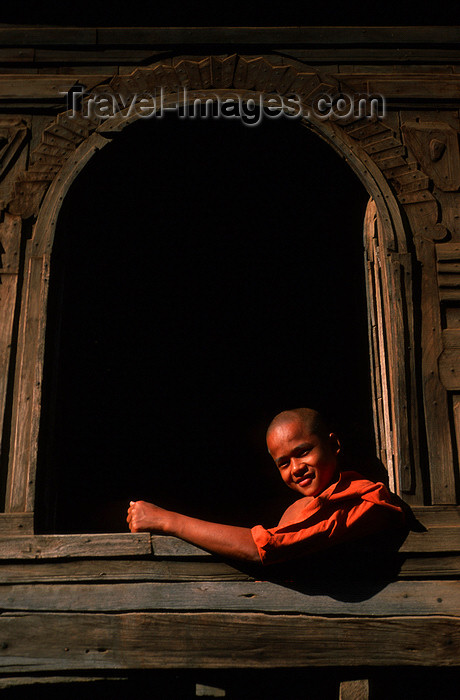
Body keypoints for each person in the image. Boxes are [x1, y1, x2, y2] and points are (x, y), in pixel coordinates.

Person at [126, 407, 405, 565]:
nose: (296, 468)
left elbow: (267, 547)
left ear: (333, 445)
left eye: (304, 451)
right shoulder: (299, 508)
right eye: (284, 463)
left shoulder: (367, 499)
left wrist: (165, 520)